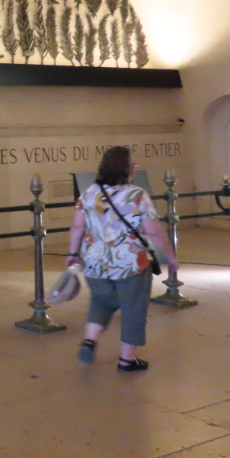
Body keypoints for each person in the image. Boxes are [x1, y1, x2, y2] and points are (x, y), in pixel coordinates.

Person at [66, 146, 179, 372]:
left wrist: (72, 253)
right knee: (133, 308)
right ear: (126, 168)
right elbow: (154, 231)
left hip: (95, 263)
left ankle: (90, 340)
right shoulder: (137, 196)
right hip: (131, 264)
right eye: (133, 164)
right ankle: (127, 359)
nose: (135, 167)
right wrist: (170, 255)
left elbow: (77, 226)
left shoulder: (89, 193)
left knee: (101, 301)